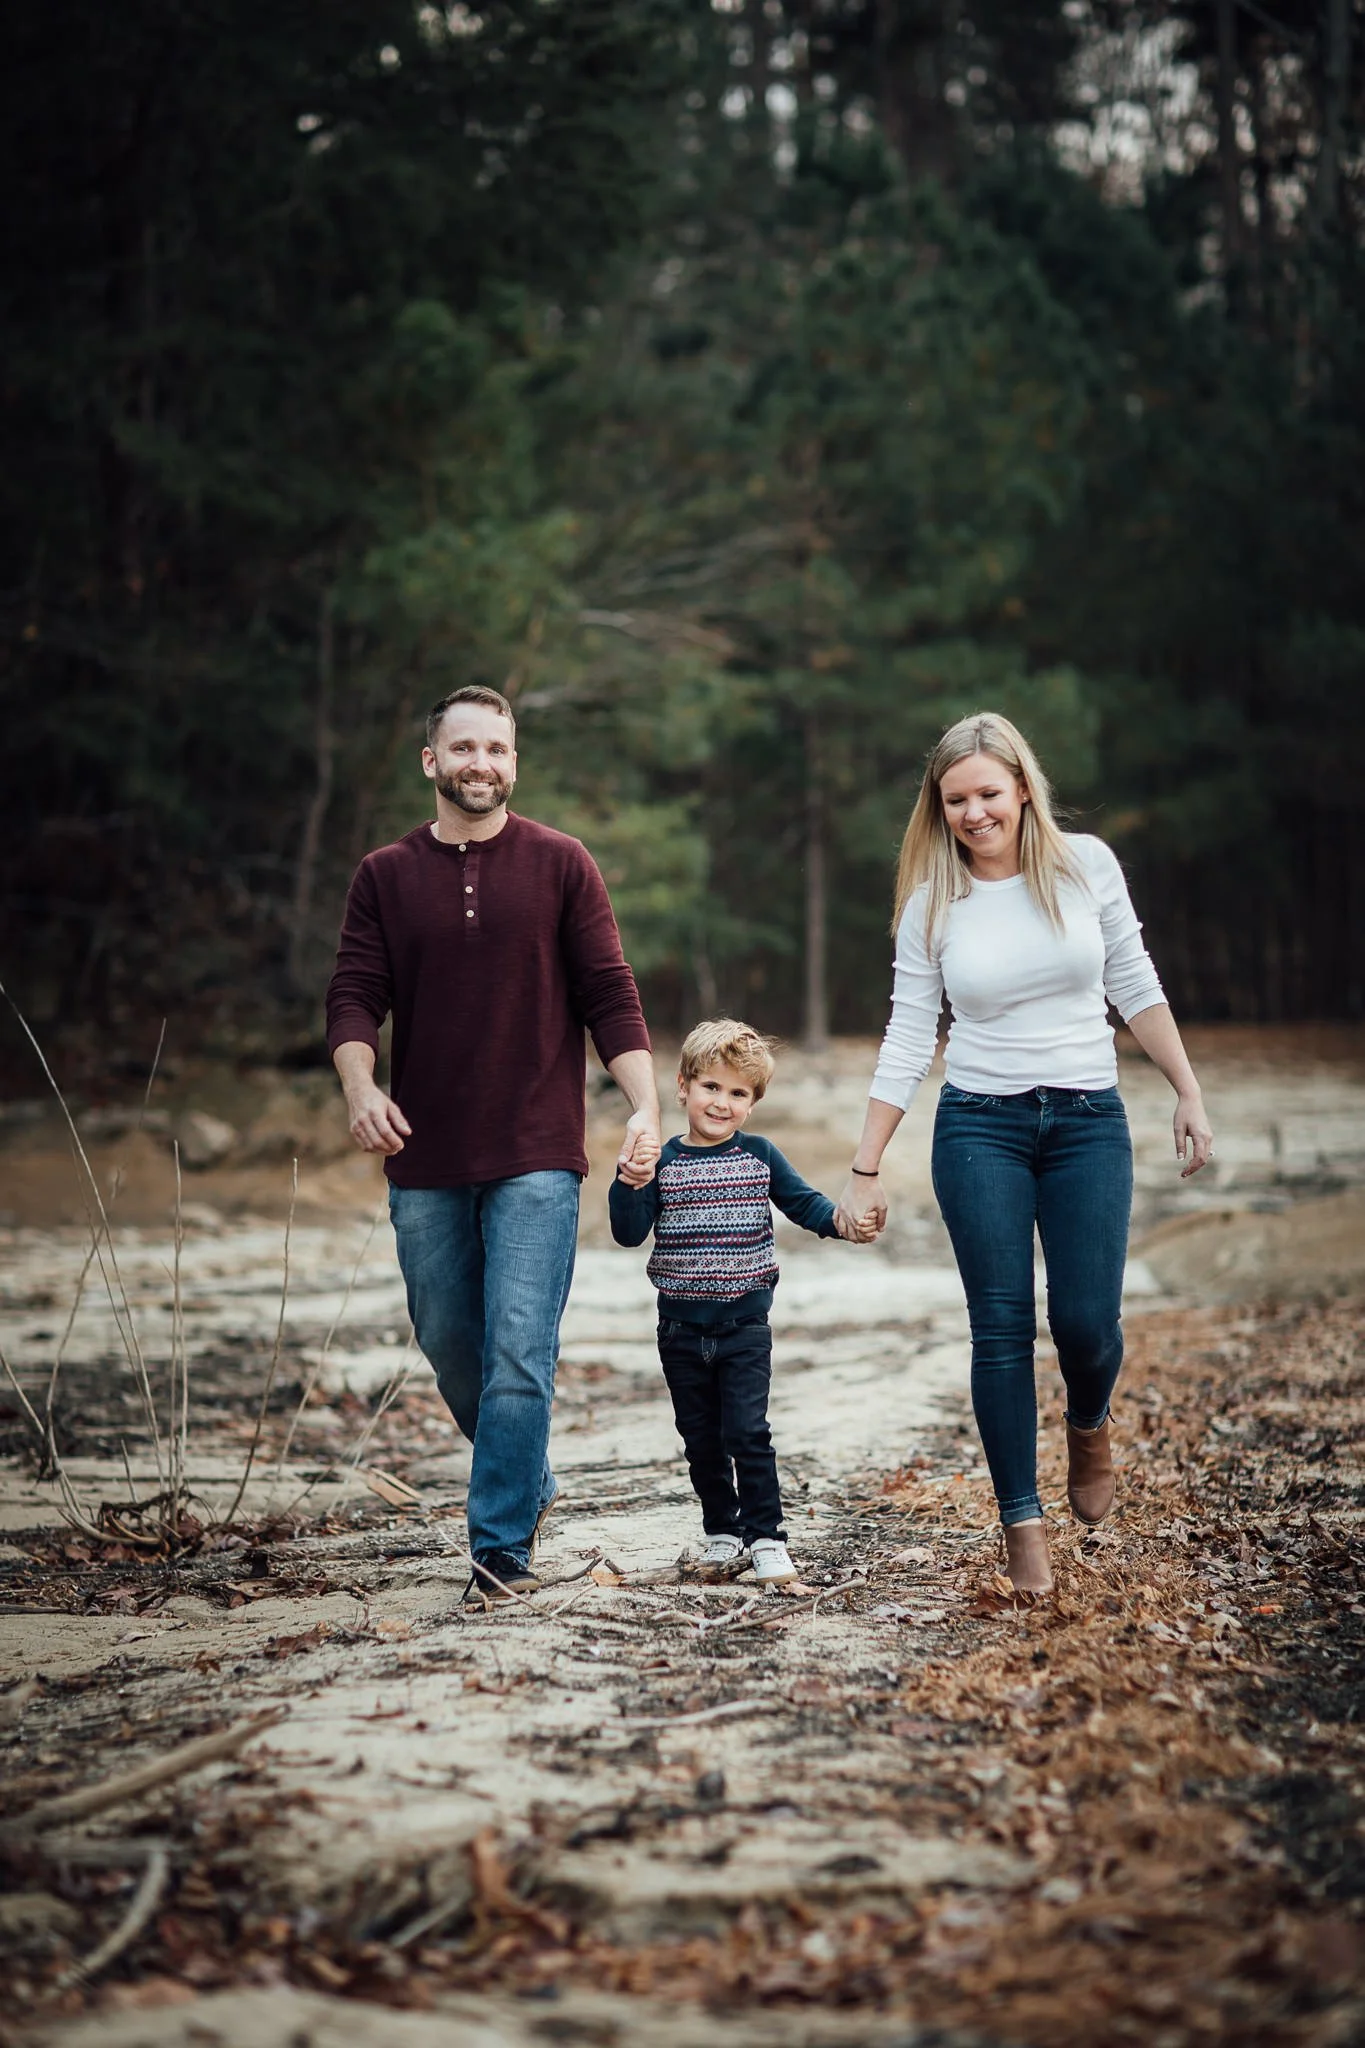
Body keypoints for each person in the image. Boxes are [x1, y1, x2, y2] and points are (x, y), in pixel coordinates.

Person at [836, 712, 1213, 1595]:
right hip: (979, 1128)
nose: (973, 814)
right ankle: (1021, 1524)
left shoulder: (1086, 867)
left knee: (1086, 1323)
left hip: (1087, 1121)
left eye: (987, 795)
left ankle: (1089, 1421)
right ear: (938, 807)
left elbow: (1134, 980)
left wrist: (1186, 1089)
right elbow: (905, 1036)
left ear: (1021, 789)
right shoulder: (933, 903)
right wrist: (865, 1162)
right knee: (999, 1325)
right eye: (955, 800)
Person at [325, 684, 660, 1608]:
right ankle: (527, 1475)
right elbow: (354, 994)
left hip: (538, 1150)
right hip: (424, 1153)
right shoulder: (384, 875)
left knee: (521, 1350)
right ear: (431, 762)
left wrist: (644, 1108)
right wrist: (361, 1086)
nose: (483, 764)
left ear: (514, 761)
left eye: (498, 750)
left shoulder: (561, 863)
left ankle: (498, 1550)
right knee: (449, 1342)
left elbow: (610, 994)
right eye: (463, 748)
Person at [610, 1018, 870, 1587]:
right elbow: (628, 1233)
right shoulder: (663, 1162)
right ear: (682, 1086)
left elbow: (804, 1203)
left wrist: (843, 1223)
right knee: (700, 1438)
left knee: (748, 1433)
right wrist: (629, 1179)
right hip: (679, 1330)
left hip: (745, 1327)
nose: (722, 1103)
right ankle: (721, 1530)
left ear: (752, 1104)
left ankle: (767, 1538)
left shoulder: (760, 1155)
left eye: (738, 1093)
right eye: (710, 1087)